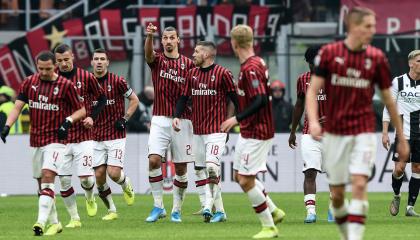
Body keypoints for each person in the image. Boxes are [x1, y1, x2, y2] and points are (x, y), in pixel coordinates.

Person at [306, 7, 409, 240]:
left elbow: (389, 100)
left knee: (360, 184)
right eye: (369, 26)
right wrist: (313, 121)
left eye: (374, 26)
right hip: (334, 134)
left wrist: (400, 137)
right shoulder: (330, 54)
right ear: (353, 27)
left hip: (363, 131)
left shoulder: (377, 58)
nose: (373, 31)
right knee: (339, 195)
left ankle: (354, 238)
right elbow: (312, 91)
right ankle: (346, 232)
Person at [0, 51, 86, 236]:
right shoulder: (29, 82)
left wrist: (68, 121)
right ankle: (55, 223)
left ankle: (40, 222)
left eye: (48, 69)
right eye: (41, 69)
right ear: (36, 66)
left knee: (48, 177)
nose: (45, 72)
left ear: (55, 66)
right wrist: (7, 126)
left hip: (56, 141)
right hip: (36, 140)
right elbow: (17, 106)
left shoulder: (65, 85)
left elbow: (82, 110)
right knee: (42, 186)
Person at [221, 24, 285, 239]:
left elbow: (258, 99)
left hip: (258, 130)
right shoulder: (257, 61)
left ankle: (269, 226)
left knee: (246, 180)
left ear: (234, 43)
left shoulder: (250, 68)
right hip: (250, 130)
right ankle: (274, 211)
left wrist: (235, 118)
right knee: (239, 175)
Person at [173, 41, 237, 223]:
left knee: (211, 167)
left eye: (197, 51)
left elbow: (235, 99)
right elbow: (183, 98)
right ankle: (221, 212)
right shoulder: (191, 74)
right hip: (198, 131)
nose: (193, 54)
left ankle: (208, 206)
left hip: (216, 130)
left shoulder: (223, 74)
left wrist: (234, 121)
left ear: (207, 55)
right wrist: (177, 116)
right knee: (201, 169)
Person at [144, 23, 195, 222]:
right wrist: (149, 36)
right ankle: (158, 206)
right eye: (164, 38)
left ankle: (176, 209)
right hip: (159, 118)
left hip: (182, 120)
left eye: (171, 38)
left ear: (178, 40)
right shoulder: (157, 60)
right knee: (154, 160)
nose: (168, 41)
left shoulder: (189, 65)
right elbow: (148, 55)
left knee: (181, 169)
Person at [54, 43, 107, 228]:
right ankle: (74, 218)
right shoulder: (52, 79)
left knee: (85, 178)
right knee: (64, 180)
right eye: (60, 61)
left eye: (66, 59)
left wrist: (92, 117)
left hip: (84, 136)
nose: (63, 63)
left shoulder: (85, 76)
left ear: (73, 57)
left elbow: (102, 99)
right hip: (60, 139)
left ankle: (90, 198)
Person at [90, 48, 139, 220]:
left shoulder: (118, 81)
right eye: (96, 59)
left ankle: (126, 184)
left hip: (115, 135)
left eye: (102, 59)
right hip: (95, 137)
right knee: (99, 176)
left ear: (107, 62)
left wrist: (125, 119)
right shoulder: (87, 83)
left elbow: (134, 100)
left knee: (114, 173)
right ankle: (111, 210)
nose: (99, 62)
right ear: (92, 62)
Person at [288, 45, 334, 223]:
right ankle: (310, 211)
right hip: (309, 133)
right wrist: (293, 130)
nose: (313, 66)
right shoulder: (303, 79)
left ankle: (333, 209)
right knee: (309, 172)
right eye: (311, 63)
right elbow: (299, 105)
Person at [383, 50, 420, 217]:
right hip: (403, 134)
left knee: (417, 168)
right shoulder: (398, 82)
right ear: (411, 63)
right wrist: (384, 132)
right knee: (399, 169)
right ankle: (397, 195)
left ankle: (410, 207)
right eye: (419, 61)